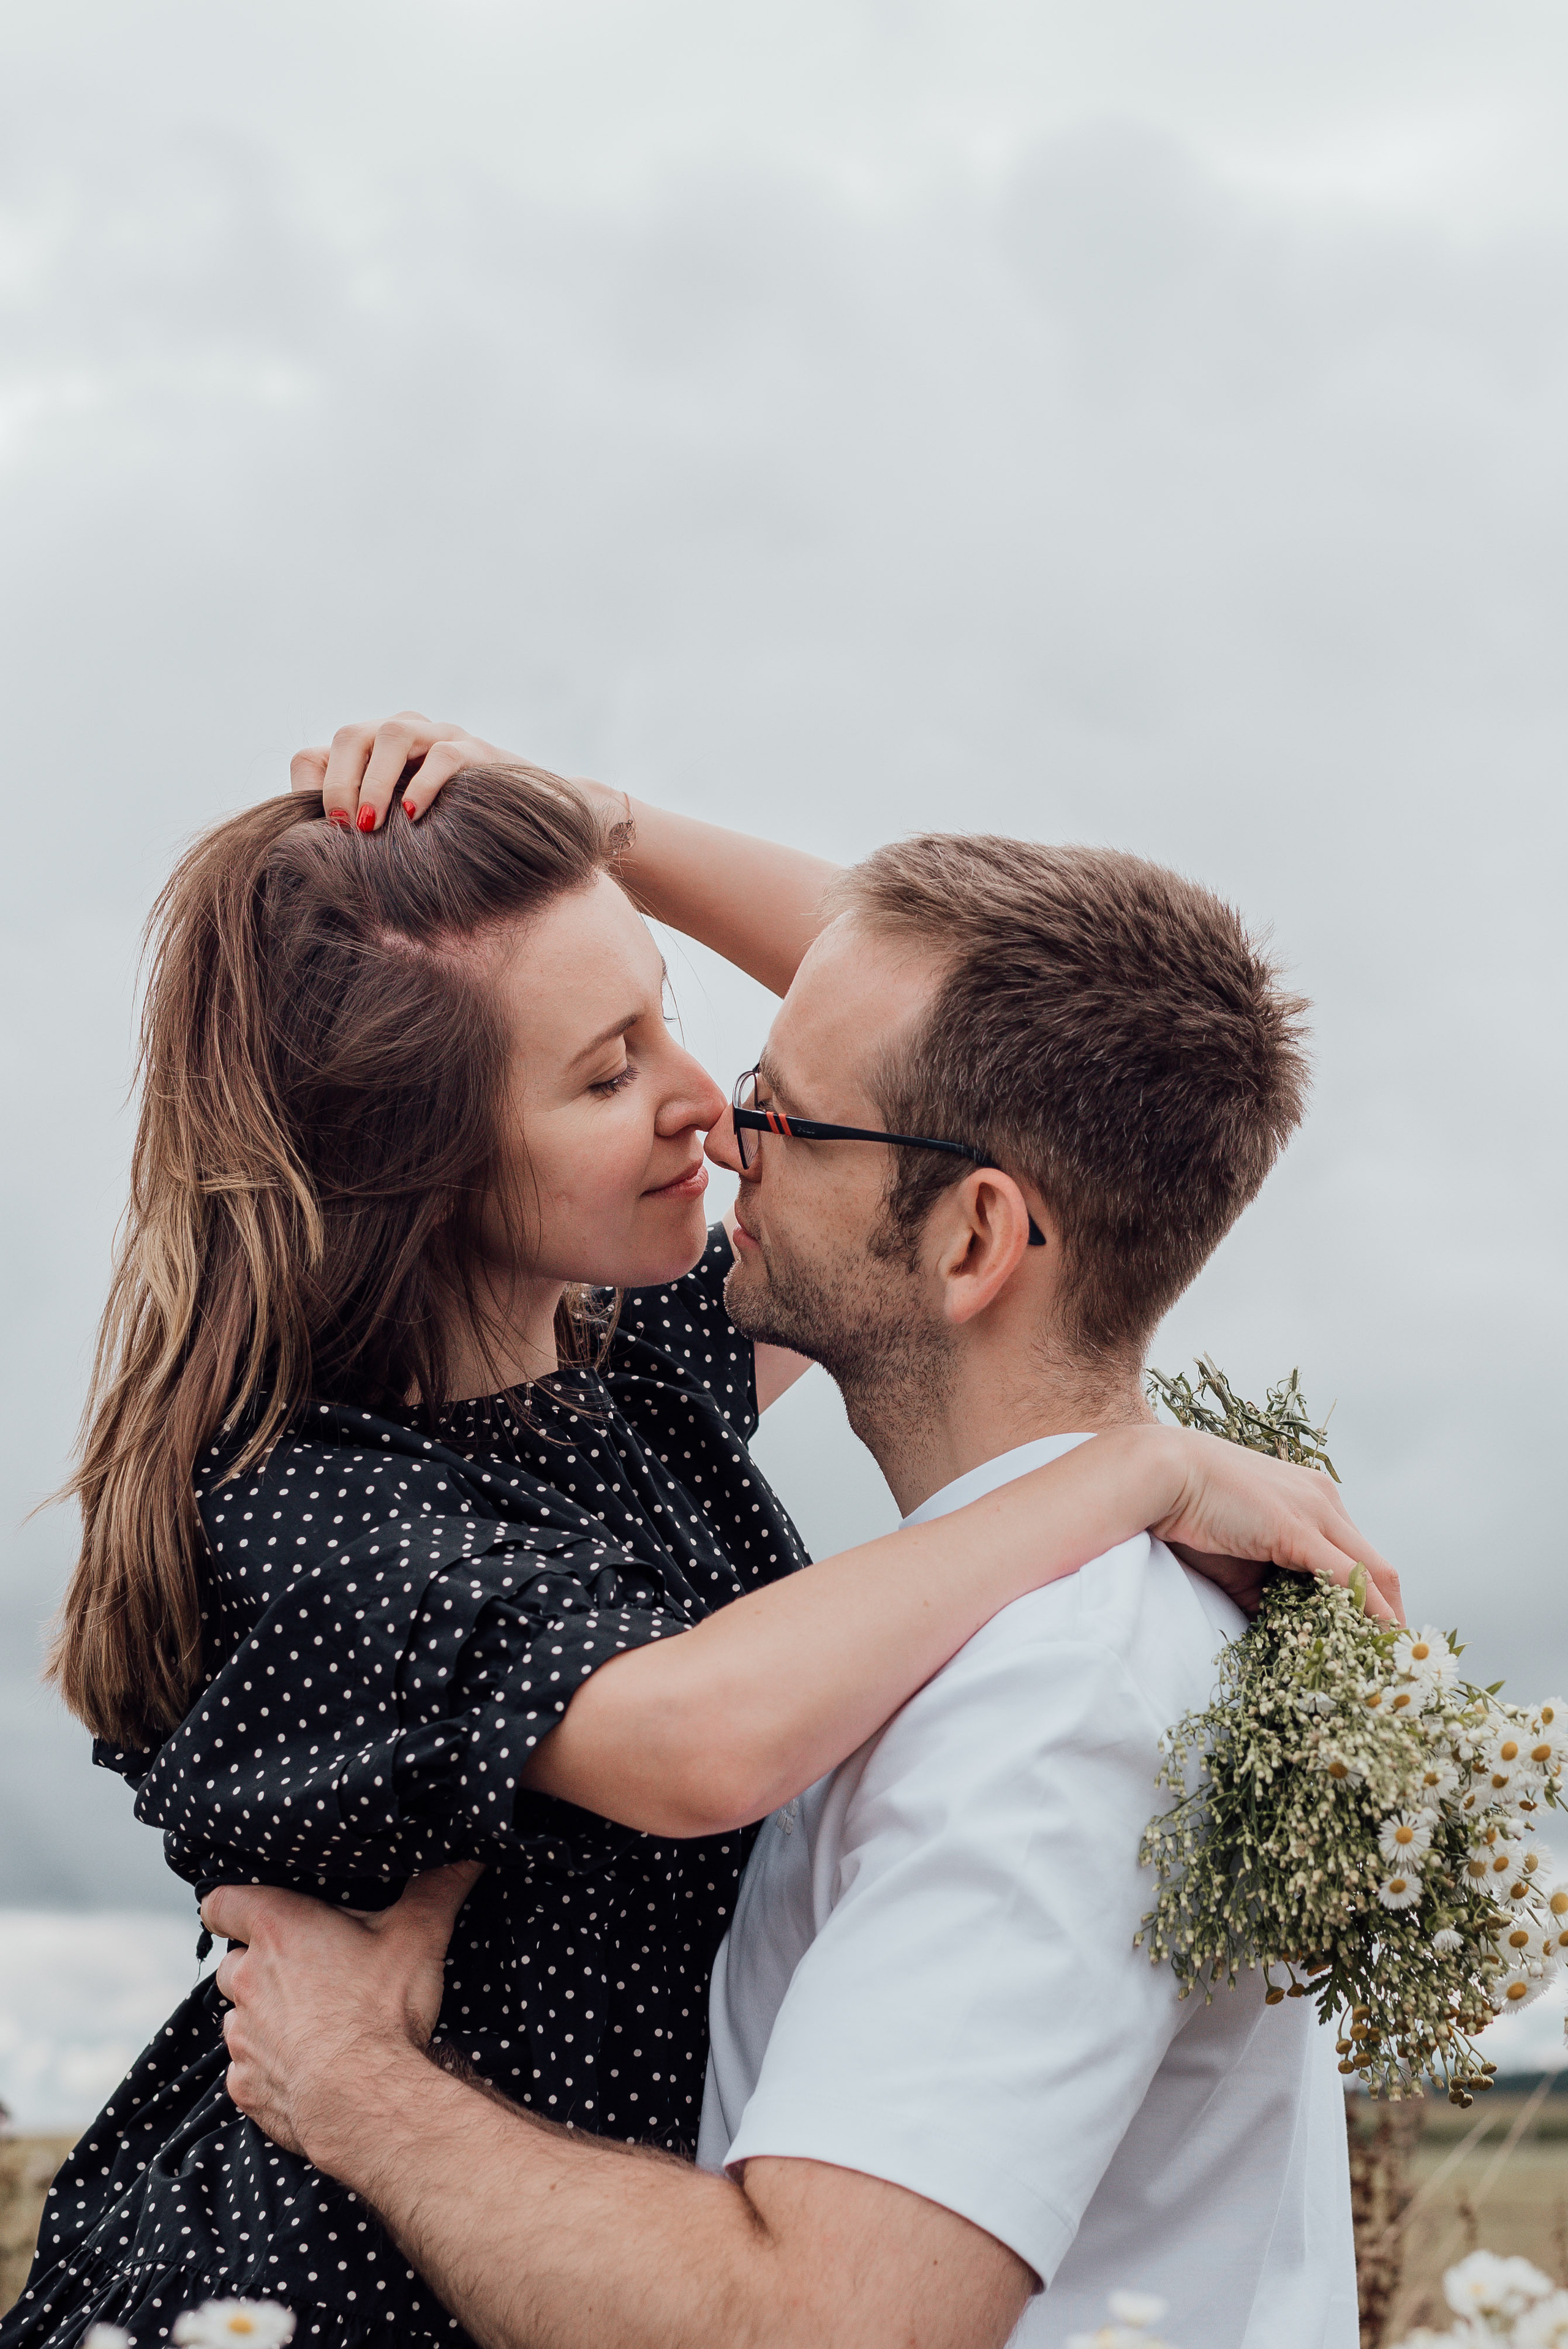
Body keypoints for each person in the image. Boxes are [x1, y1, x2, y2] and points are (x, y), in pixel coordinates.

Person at [6, 723, 1385, 2349]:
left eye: (673, 1013)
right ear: (419, 1163)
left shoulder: (624, 1365)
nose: (715, 1110)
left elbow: (1003, 1058)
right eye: (608, 1068)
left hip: (554, 2240)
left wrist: (611, 828)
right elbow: (700, 1741)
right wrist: (1130, 1474)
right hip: (336, 2286)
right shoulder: (333, 1507)